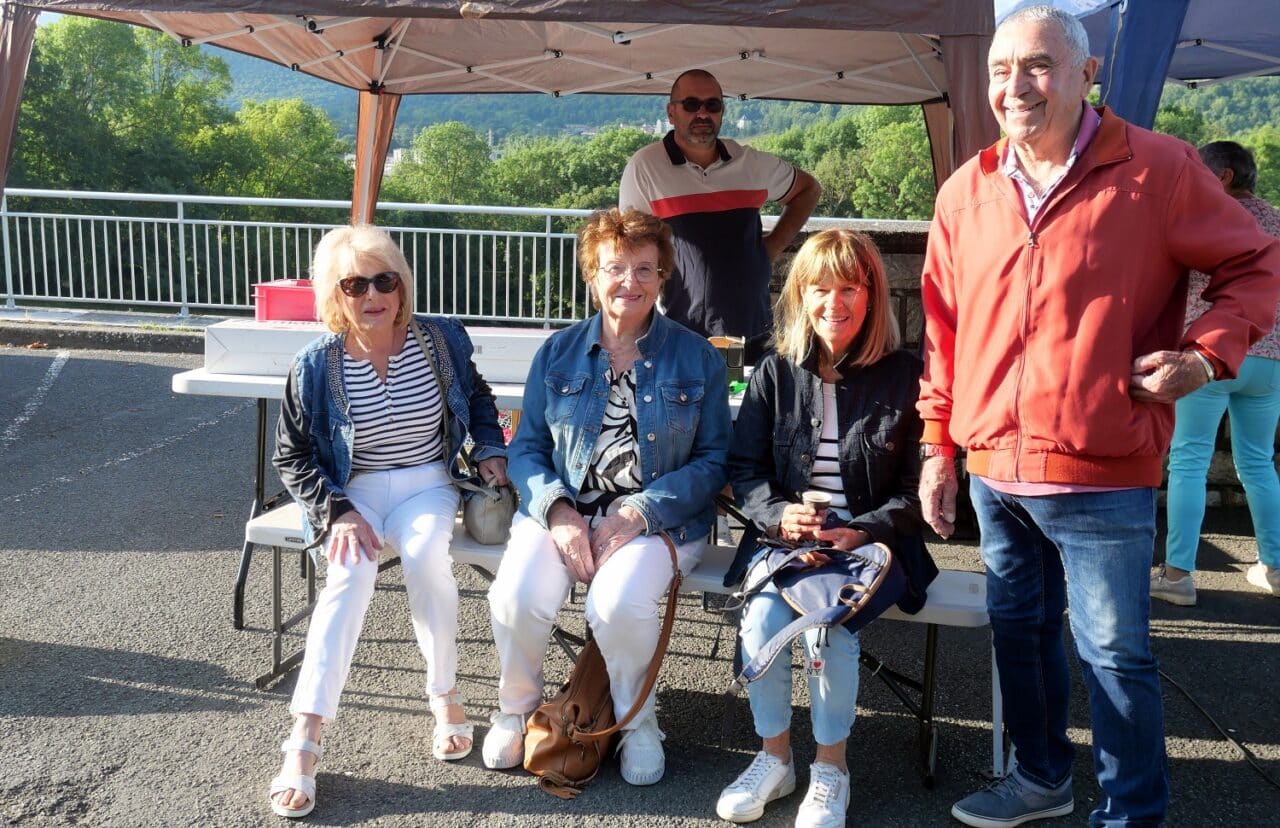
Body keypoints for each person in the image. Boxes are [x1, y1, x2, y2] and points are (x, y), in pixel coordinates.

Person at [915, 6, 1280, 827]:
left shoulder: (1158, 167)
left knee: (1114, 656)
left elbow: (1257, 262)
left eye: (1038, 65)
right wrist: (938, 445)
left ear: (1087, 74)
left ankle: (1132, 814)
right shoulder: (966, 190)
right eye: (1001, 69)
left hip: (1102, 467)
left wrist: (1204, 357)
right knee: (1021, 638)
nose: (1015, 86)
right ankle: (1040, 780)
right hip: (994, 472)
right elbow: (942, 330)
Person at [267, 224, 509, 819]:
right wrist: (337, 511)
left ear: (402, 285)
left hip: (427, 480)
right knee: (348, 576)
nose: (373, 294)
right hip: (353, 490)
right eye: (355, 284)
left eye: (384, 280)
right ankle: (304, 739)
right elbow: (292, 455)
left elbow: (478, 398)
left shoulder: (440, 339)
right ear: (335, 294)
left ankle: (445, 696)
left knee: (427, 559)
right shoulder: (316, 364)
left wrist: (488, 449)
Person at [483, 208, 731, 785]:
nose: (629, 282)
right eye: (614, 267)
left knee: (617, 605)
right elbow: (527, 448)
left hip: (660, 519)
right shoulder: (558, 352)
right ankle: (517, 709)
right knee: (516, 595)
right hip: (563, 509)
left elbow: (715, 461)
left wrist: (640, 510)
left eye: (644, 268)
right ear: (591, 275)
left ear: (663, 275)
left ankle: (636, 720)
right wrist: (558, 510)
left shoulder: (697, 357)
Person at [717, 229, 937, 827]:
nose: (832, 303)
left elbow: (920, 490)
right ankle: (775, 759)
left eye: (849, 289)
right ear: (800, 294)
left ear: (872, 296)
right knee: (761, 617)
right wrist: (778, 514)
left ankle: (831, 769)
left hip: (874, 547)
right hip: (788, 541)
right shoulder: (775, 371)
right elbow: (745, 470)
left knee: (828, 627)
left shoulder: (907, 375)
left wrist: (861, 530)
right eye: (819, 288)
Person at [1152, 141, 1280, 606]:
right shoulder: (1277, 220)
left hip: (1211, 353)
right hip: (1270, 358)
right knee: (1259, 463)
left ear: (1223, 176)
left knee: (1189, 460)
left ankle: (1177, 576)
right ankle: (1275, 568)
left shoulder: (1208, 216)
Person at [619, 69, 820, 361]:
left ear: (722, 111)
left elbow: (808, 189)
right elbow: (630, 249)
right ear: (671, 113)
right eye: (691, 104)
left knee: (740, 392)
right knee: (693, 392)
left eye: (712, 104)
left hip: (750, 331)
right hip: (679, 331)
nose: (702, 113)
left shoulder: (749, 163)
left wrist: (772, 247)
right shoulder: (645, 167)